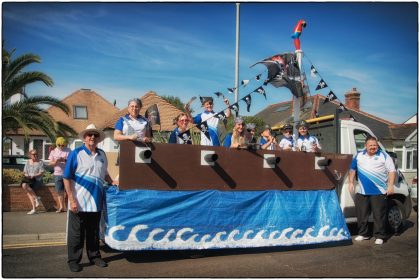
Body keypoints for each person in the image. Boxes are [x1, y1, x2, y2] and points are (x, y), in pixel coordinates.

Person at [64, 124, 116, 272]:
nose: (92, 137)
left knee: (93, 233)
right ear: (84, 138)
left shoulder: (102, 154)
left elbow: (105, 174)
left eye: (95, 135)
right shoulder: (76, 153)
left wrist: (113, 182)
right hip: (78, 203)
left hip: (96, 202)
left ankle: (95, 256)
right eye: (89, 135)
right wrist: (71, 199)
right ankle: (74, 260)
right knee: (76, 234)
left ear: (98, 138)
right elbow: (66, 178)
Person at [348, 136, 396, 245]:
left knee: (379, 215)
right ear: (365, 146)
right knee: (362, 215)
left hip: (379, 191)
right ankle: (363, 234)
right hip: (362, 191)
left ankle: (380, 236)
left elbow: (392, 171)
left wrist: (391, 185)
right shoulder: (359, 155)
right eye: (370, 145)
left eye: (375, 145)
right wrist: (351, 182)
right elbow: (352, 169)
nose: (373, 147)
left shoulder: (384, 155)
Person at [48, 137, 71, 213]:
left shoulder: (68, 150)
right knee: (59, 191)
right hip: (57, 174)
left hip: (67, 174)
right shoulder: (53, 151)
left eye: (63, 145)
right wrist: (56, 161)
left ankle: (68, 208)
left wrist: (64, 160)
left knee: (68, 191)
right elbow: (50, 163)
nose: (61, 147)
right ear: (57, 144)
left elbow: (72, 162)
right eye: (60, 145)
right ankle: (61, 207)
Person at [21, 149, 45, 215]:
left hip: (37, 180)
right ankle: (37, 199)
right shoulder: (28, 162)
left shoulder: (40, 162)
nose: (35, 155)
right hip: (29, 179)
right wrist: (27, 175)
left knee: (29, 192)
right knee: (24, 185)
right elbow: (25, 171)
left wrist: (33, 175)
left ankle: (34, 209)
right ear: (30, 155)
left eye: (36, 154)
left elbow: (41, 172)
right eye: (34, 154)